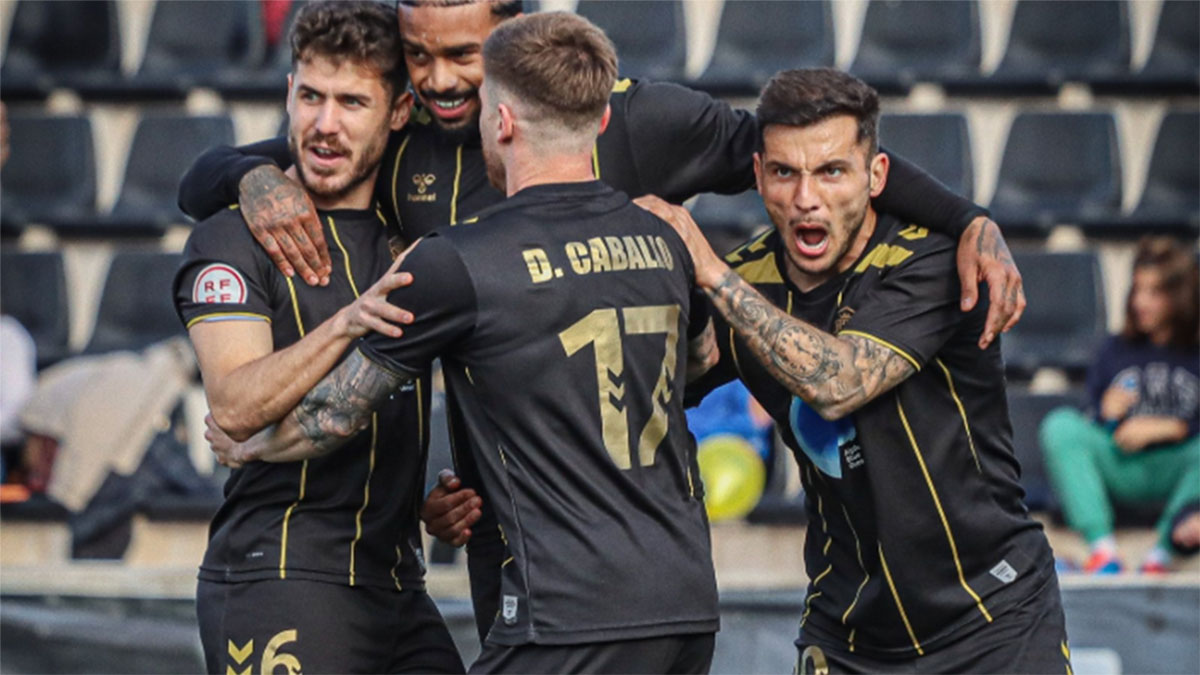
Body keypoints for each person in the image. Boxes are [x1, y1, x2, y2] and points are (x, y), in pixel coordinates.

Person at [180, 0, 1026, 640]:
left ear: (511, 50)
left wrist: (967, 218)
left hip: (615, 554)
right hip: (520, 541)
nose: (437, 80)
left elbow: (801, 145)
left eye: (463, 56)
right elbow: (297, 148)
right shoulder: (409, 141)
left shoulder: (637, 123)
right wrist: (243, 174)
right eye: (417, 56)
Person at [211, 12, 722, 673]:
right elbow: (700, 361)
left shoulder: (457, 259)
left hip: (566, 613)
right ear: (598, 123)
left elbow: (333, 414)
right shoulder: (664, 239)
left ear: (501, 122)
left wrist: (248, 442)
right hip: (687, 601)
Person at [640, 68, 1068, 673]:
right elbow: (664, 382)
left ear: (876, 176)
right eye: (785, 173)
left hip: (993, 616)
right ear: (758, 176)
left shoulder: (934, 261)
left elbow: (837, 383)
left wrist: (709, 273)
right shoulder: (748, 279)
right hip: (849, 631)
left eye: (832, 171)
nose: (806, 198)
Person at [171, 3, 462, 672]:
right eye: (310, 96)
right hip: (281, 578)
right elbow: (236, 406)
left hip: (396, 584)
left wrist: (429, 497)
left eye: (352, 101)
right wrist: (349, 320)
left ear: (398, 112)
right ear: (288, 94)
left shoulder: (408, 229)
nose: (324, 125)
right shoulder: (230, 236)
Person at [1040, 237, 1199, 575]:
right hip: (1121, 464)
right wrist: (1104, 414)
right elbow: (1088, 420)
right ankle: (1103, 549)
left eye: (1154, 293)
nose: (1141, 302)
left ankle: (1162, 554)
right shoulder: (1115, 349)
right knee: (1060, 426)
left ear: (1179, 297)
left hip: (1176, 468)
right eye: (1137, 290)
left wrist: (1173, 427)